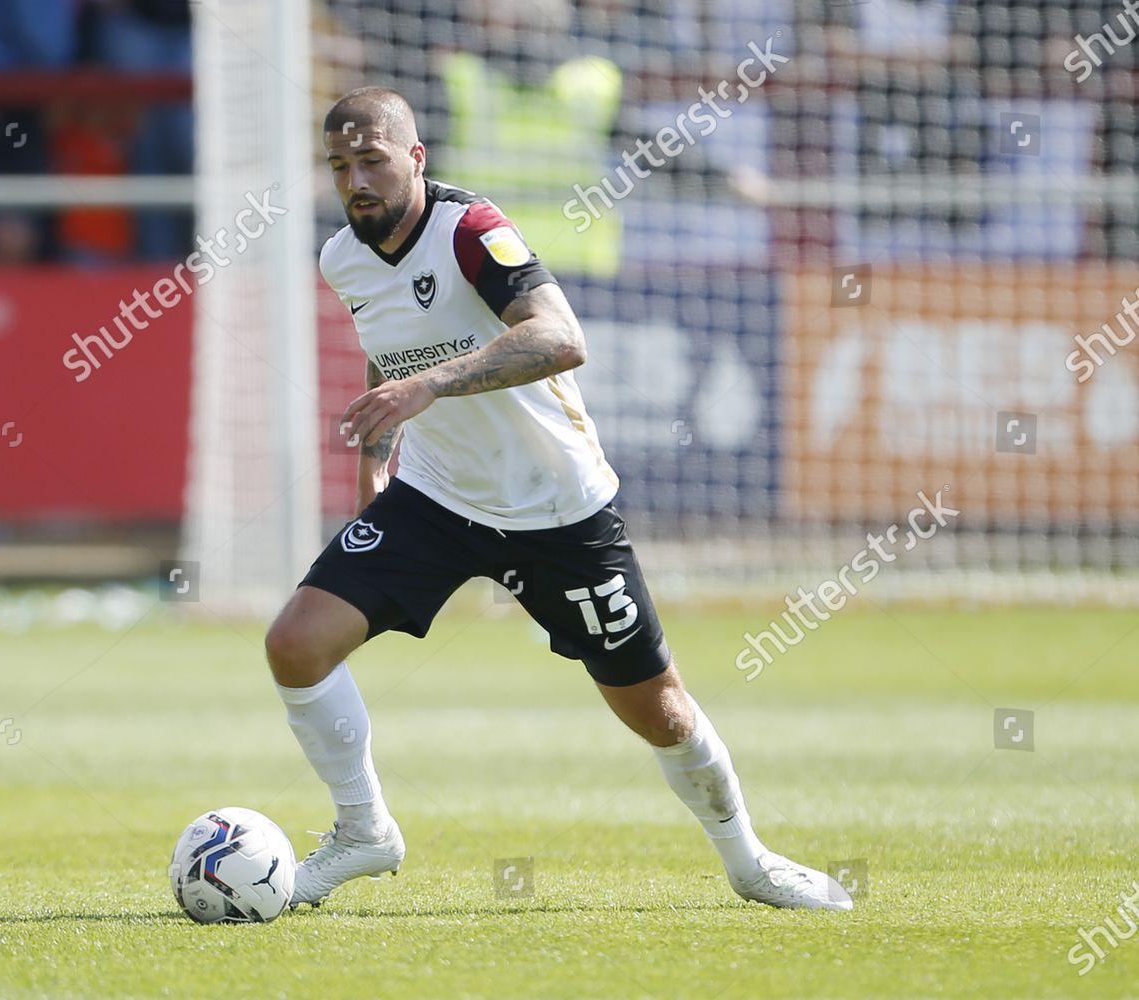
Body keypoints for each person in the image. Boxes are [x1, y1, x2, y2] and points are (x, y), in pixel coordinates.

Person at [265, 87, 852, 912]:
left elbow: (559, 337)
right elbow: (386, 351)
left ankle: (750, 860)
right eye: (339, 166)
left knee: (660, 711)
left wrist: (426, 387)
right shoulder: (343, 258)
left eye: (371, 160)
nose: (355, 180)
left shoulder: (471, 233)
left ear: (416, 157)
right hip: (436, 498)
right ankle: (364, 832)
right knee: (295, 644)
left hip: (556, 507)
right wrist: (378, 455)